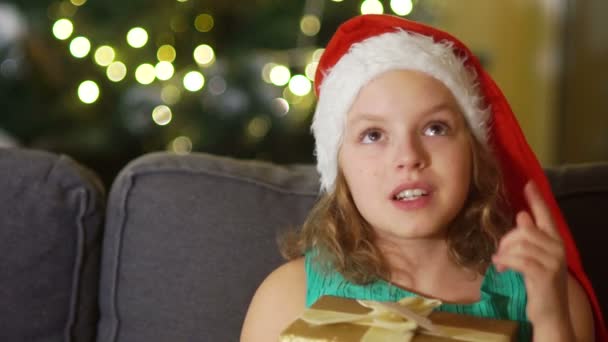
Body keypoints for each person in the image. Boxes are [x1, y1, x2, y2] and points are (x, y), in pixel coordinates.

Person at [241, 14, 606, 341]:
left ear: (474, 152)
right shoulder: (287, 298)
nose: (409, 158)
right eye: (373, 135)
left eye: (435, 128)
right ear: (340, 168)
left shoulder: (551, 297)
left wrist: (550, 320)